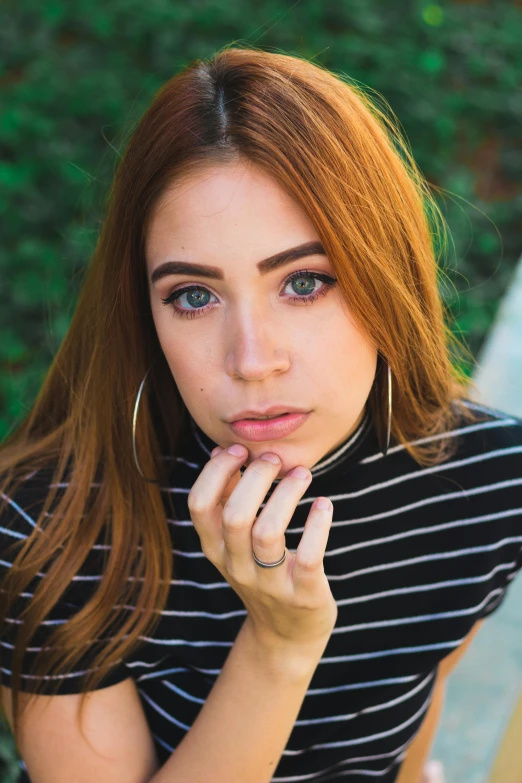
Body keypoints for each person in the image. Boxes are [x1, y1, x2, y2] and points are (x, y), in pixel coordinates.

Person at [0, 45, 521, 783]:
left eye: (305, 281)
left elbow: (418, 694)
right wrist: (279, 643)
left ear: (386, 271)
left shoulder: (489, 480)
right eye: (193, 295)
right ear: (145, 313)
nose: (251, 358)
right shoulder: (51, 525)